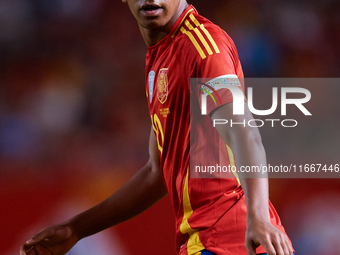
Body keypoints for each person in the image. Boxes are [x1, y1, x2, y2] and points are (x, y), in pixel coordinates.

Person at [20, 1, 294, 255]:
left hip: (230, 239)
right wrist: (75, 229)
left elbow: (243, 130)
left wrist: (257, 218)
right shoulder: (162, 54)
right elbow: (157, 170)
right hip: (210, 240)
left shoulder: (203, 47)